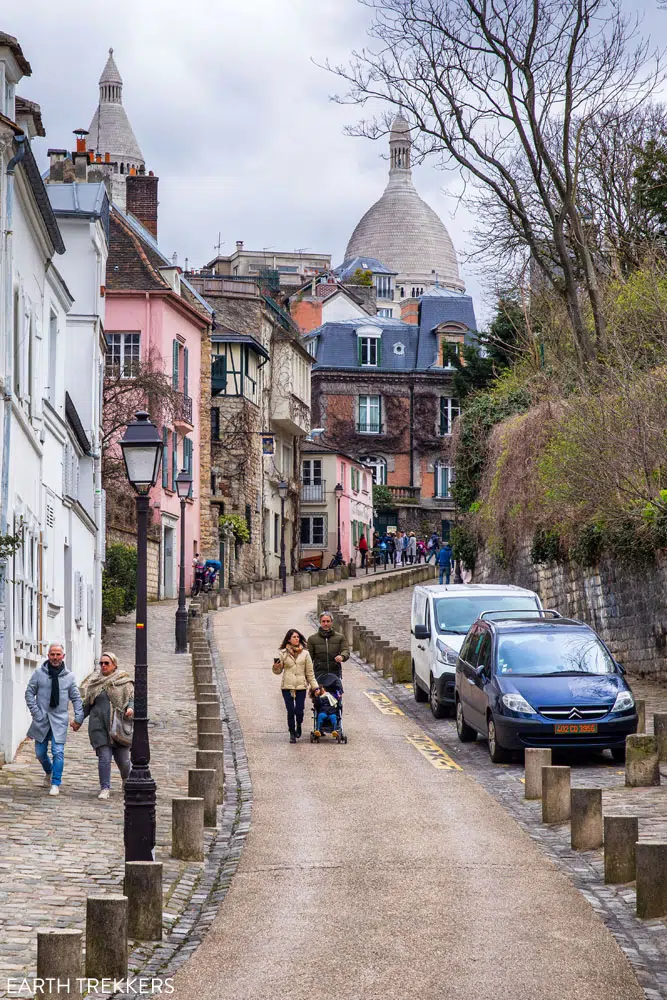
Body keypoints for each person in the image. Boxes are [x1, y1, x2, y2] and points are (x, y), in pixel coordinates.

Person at [25, 643, 84, 796]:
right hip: (41, 719)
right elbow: (29, 693)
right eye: (52, 654)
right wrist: (36, 712)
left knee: (58, 752)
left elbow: (76, 698)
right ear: (48, 655)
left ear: (63, 656)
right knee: (40, 753)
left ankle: (56, 783)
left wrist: (79, 717)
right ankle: (49, 771)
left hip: (59, 720)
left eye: (58, 654)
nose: (55, 657)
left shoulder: (69, 676)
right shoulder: (39, 674)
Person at [77, 652, 134, 800]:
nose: (103, 666)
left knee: (123, 761)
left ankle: (126, 779)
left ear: (114, 665)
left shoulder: (124, 682)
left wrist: (130, 708)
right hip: (99, 727)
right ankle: (105, 787)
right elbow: (86, 705)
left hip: (119, 726)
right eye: (101, 663)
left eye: (106, 663)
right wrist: (78, 720)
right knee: (104, 757)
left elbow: (131, 699)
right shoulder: (95, 683)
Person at [274, 629, 318, 743]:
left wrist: (315, 687)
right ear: (289, 639)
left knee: (299, 710)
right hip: (287, 686)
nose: (296, 639)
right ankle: (292, 733)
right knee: (290, 711)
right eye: (294, 637)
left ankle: (299, 724)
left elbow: (310, 673)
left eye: (298, 637)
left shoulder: (305, 653)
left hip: (300, 686)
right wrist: (276, 666)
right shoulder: (283, 653)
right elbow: (278, 671)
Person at [307, 612, 350, 681]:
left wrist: (342, 656)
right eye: (323, 621)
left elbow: (346, 651)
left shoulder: (340, 637)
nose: (326, 624)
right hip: (319, 674)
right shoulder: (312, 639)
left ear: (331, 622)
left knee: (338, 692)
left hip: (335, 673)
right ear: (320, 622)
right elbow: (308, 658)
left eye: (328, 621)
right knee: (319, 692)